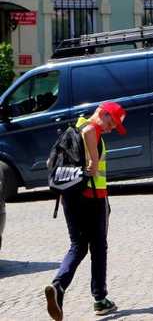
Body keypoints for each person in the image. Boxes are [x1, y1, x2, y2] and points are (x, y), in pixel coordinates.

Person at [45, 102, 127, 320]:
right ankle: (100, 299)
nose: (111, 129)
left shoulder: (72, 129)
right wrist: (91, 162)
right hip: (93, 198)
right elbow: (92, 160)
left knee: (78, 245)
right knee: (98, 247)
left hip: (70, 196)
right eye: (112, 123)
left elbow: (49, 162)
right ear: (103, 113)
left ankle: (58, 286)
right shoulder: (91, 129)